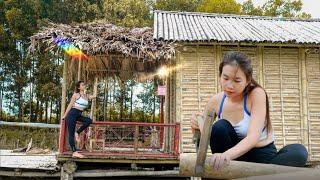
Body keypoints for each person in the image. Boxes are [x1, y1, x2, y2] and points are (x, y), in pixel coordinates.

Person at [191, 52, 308, 170]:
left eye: (237, 81)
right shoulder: (215, 101)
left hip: (262, 159)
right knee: (219, 127)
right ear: (220, 76)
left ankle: (259, 175)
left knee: (299, 152)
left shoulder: (256, 94)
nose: (229, 85)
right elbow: (204, 138)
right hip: (232, 162)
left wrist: (226, 155)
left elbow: (253, 138)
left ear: (247, 81)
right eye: (225, 78)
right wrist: (196, 124)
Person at [62, 81, 96, 158]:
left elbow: (94, 96)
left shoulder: (86, 96)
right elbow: (70, 105)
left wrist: (96, 86)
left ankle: (77, 132)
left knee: (89, 121)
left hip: (78, 114)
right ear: (79, 87)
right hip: (72, 114)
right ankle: (74, 152)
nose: (84, 86)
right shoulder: (76, 95)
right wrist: (64, 115)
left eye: (84, 85)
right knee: (71, 134)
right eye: (82, 85)